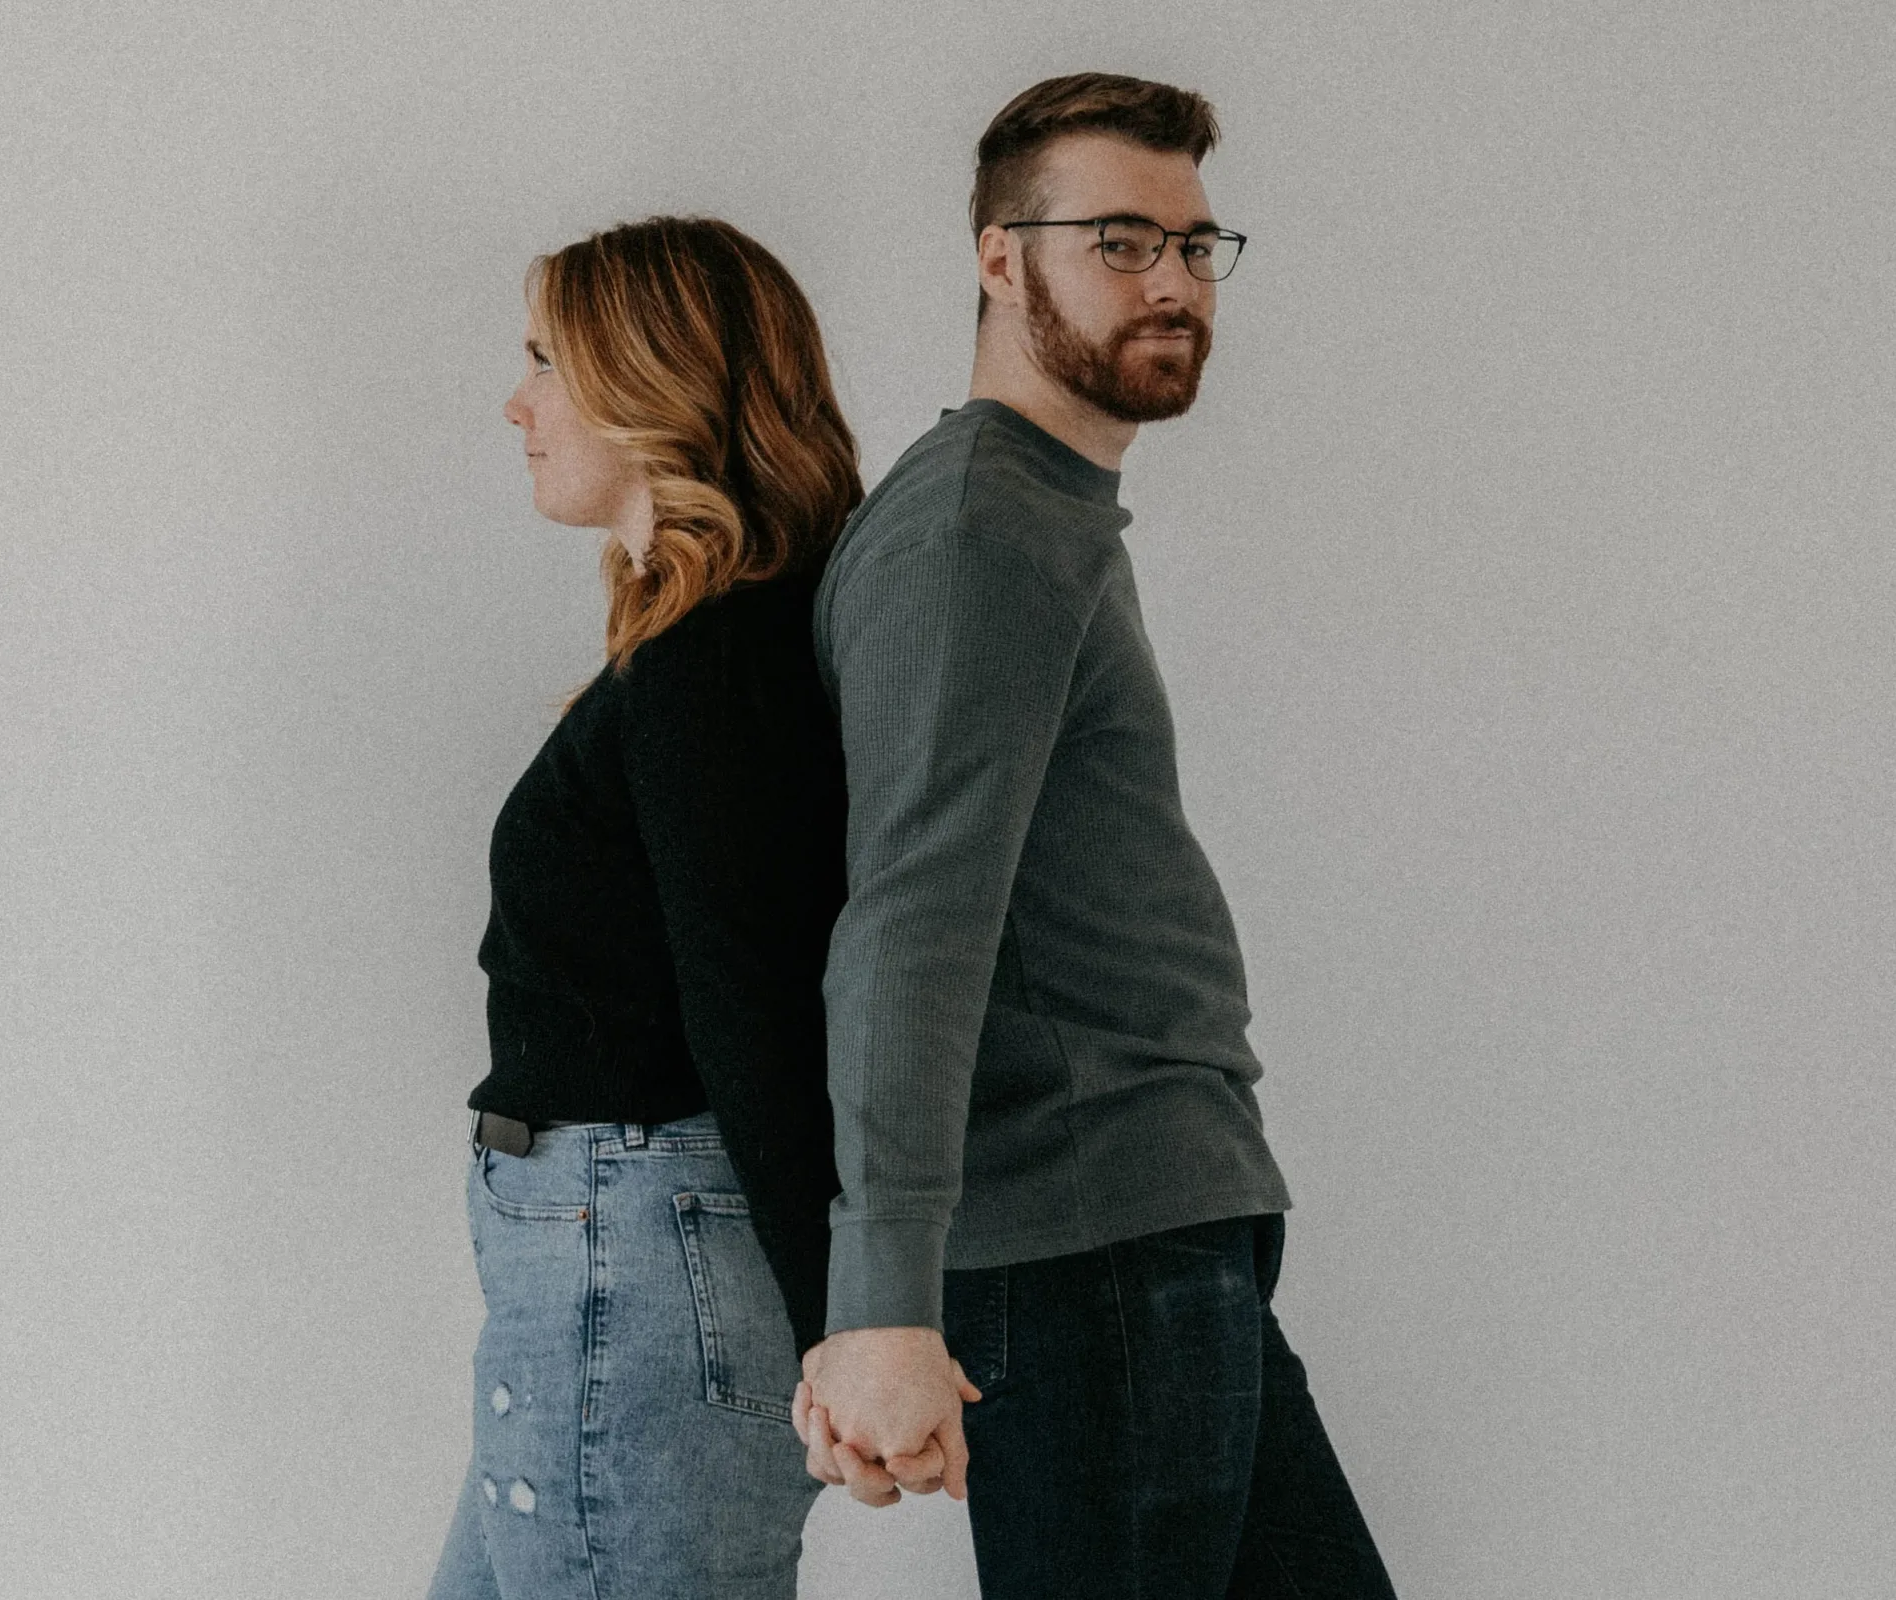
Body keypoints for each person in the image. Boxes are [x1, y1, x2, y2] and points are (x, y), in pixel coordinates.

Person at [789, 73, 1400, 1597]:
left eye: (1197, 248)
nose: (1174, 284)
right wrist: (878, 1301)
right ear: (1002, 258)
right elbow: (911, 919)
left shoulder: (1044, 510)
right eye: (1120, 241)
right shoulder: (979, 526)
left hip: (1163, 1226)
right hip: (1092, 1253)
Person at [426, 215, 864, 1600]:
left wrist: (849, 1325)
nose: (520, 402)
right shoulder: (699, 649)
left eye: (551, 359)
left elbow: (756, 1005)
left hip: (636, 1245)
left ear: (650, 383)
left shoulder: (717, 663)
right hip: (607, 1247)